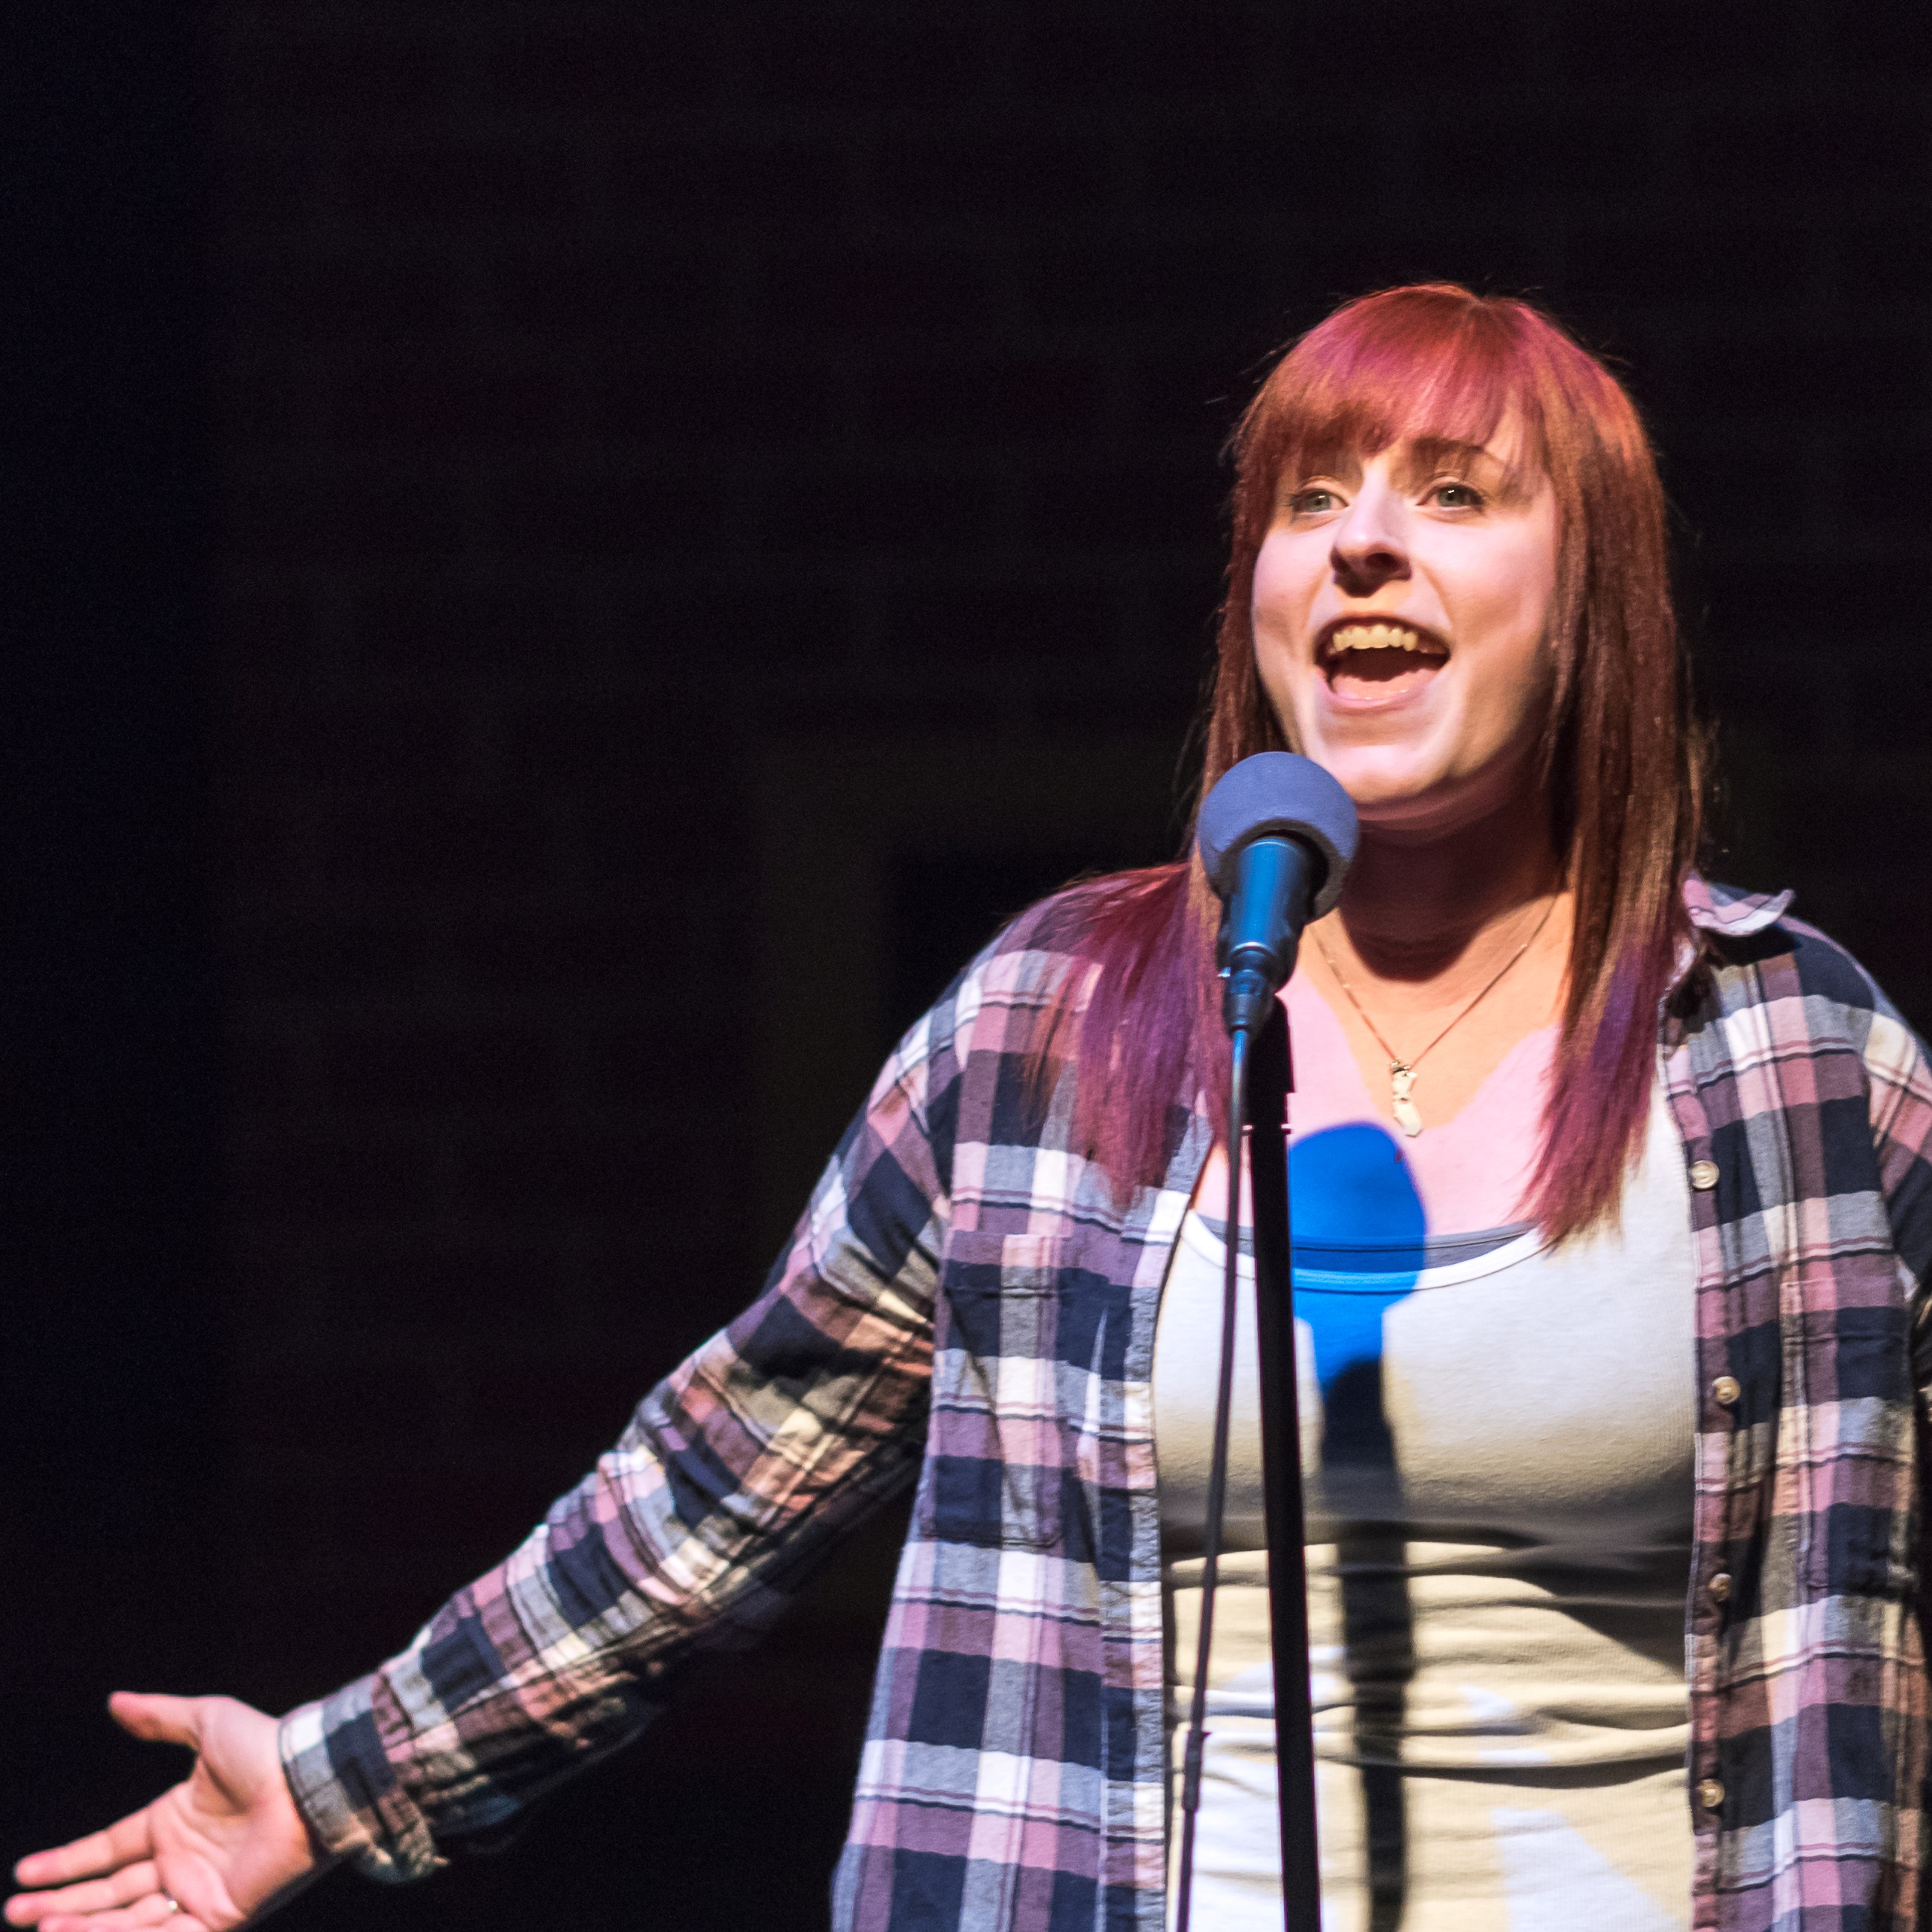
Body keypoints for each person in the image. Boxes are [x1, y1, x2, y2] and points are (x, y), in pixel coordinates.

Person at [10, 283, 1932, 1932]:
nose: (1359, 543)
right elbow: (719, 1475)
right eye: (1304, 499)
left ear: (1587, 596)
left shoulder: (1790, 1059)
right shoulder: (1053, 1030)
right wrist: (344, 1773)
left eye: (1451, 494)